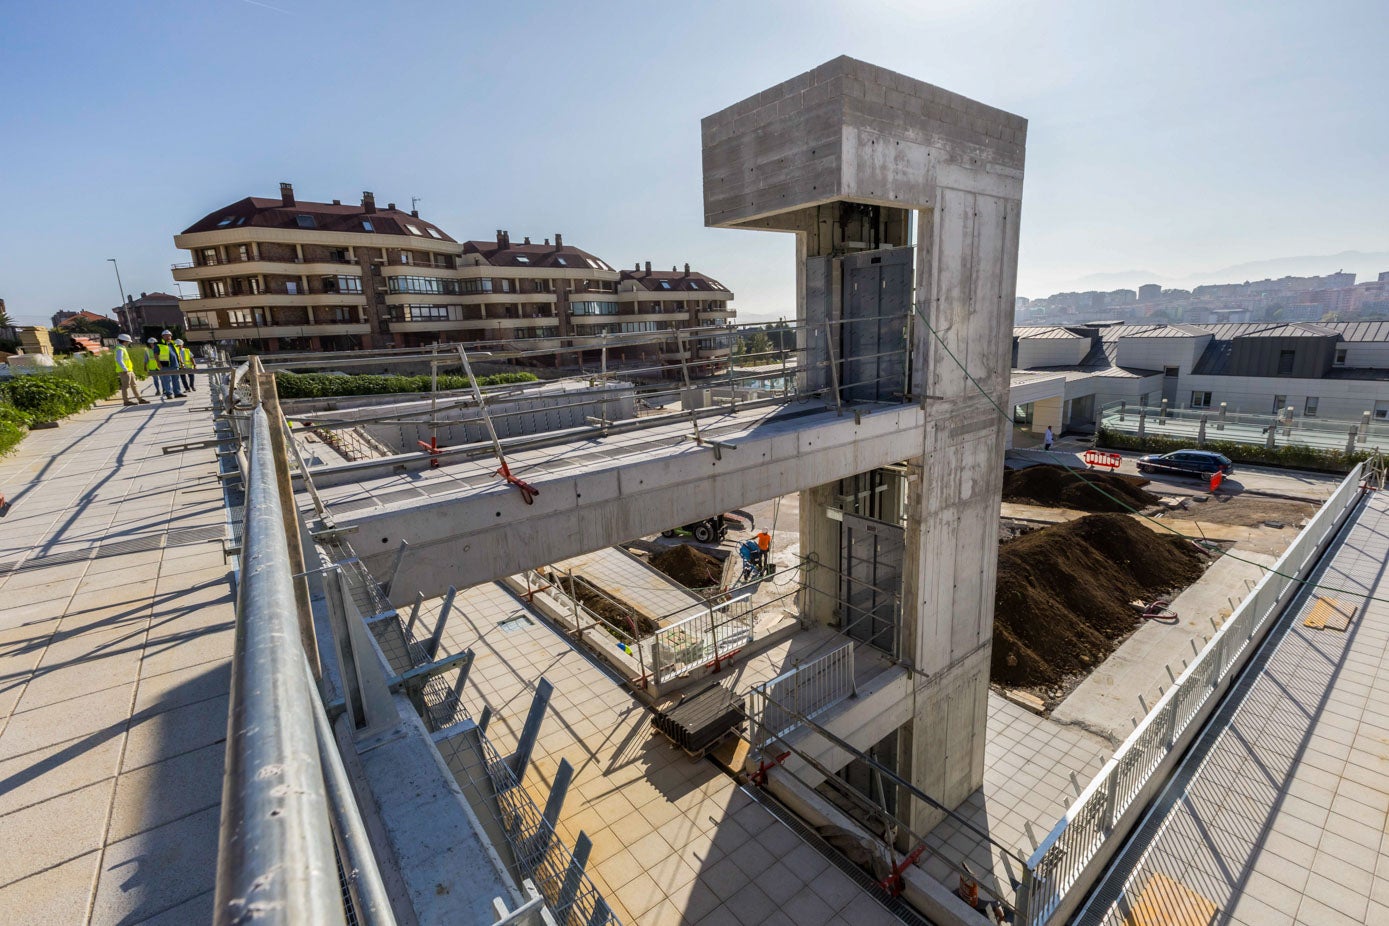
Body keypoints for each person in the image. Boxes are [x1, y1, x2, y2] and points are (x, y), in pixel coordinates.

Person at [114, 334, 149, 406]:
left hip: (129, 370)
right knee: (125, 386)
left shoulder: (122, 348)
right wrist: (125, 369)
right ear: (124, 341)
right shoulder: (120, 349)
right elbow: (119, 360)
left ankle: (140, 399)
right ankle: (126, 401)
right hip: (124, 371)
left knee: (134, 385)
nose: (128, 343)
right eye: (128, 341)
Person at [154, 330, 184, 399]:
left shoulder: (174, 344)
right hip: (165, 365)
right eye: (166, 335)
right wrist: (158, 363)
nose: (168, 337)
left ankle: (177, 393)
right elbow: (156, 355)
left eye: (169, 335)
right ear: (163, 336)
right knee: (166, 380)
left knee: (176, 379)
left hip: (175, 364)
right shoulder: (159, 345)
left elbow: (178, 354)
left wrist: (181, 363)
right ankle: (169, 393)